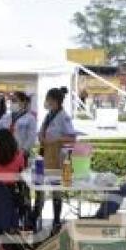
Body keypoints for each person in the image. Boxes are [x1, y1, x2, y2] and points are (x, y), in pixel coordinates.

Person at [31, 87, 76, 233]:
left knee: (56, 190)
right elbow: (43, 131)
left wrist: (57, 139)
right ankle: (35, 218)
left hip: (57, 158)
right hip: (45, 155)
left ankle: (56, 221)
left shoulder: (64, 117)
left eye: (49, 99)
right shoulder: (49, 115)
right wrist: (41, 136)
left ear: (55, 100)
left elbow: (72, 138)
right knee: (40, 188)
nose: (46, 102)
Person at [0, 91, 37, 163]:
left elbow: (31, 137)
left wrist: (24, 150)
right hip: (6, 152)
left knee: (20, 172)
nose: (12, 103)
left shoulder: (30, 118)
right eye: (11, 101)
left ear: (23, 102)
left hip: (21, 152)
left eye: (15, 101)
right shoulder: (6, 117)